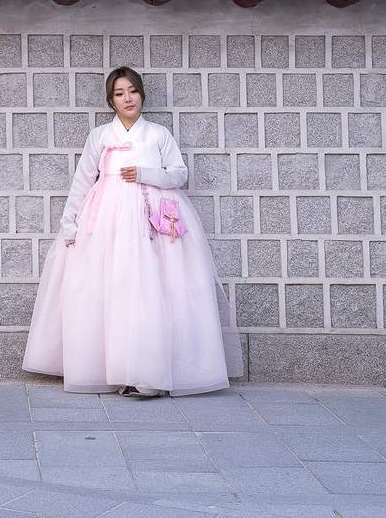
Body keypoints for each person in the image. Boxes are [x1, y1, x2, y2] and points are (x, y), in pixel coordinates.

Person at [22, 66, 243, 397]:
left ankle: (150, 374)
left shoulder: (157, 134)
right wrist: (70, 223)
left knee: (153, 292)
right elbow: (82, 182)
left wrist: (145, 173)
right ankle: (114, 370)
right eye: (119, 93)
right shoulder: (100, 136)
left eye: (133, 91)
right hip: (107, 222)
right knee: (111, 291)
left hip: (151, 221)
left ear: (142, 94)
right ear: (111, 100)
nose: (128, 98)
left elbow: (179, 174)